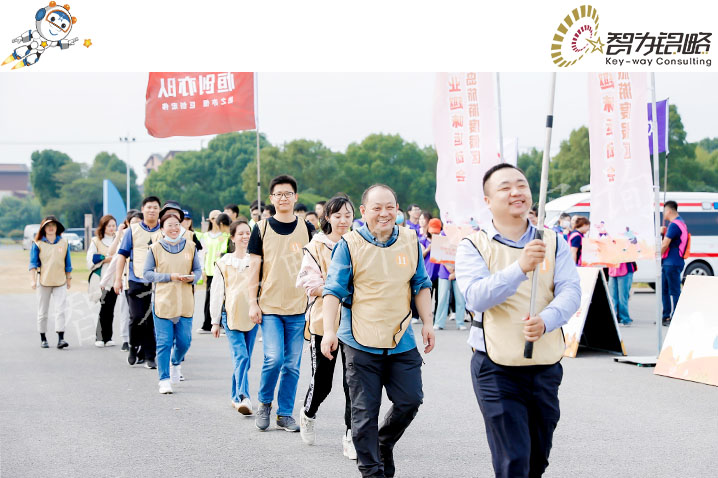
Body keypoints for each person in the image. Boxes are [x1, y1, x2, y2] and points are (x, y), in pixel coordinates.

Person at [455, 163, 580, 478]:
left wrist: (547, 320)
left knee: (537, 459)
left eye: (521, 185)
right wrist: (521, 266)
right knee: (514, 460)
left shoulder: (553, 241)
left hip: (545, 364)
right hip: (495, 368)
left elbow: (571, 291)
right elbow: (476, 297)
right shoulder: (474, 245)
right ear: (487, 200)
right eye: (505, 187)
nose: (516, 192)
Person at [321, 184, 435, 478]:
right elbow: (332, 291)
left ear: (397, 209)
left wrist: (428, 324)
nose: (384, 213)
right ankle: (371, 471)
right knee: (364, 413)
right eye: (376, 208)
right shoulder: (349, 244)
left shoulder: (410, 240)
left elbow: (420, 284)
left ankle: (384, 442)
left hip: (400, 338)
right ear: (363, 212)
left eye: (390, 207)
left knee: (410, 400)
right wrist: (330, 331)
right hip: (359, 339)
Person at [248, 174, 315, 432]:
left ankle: (284, 413)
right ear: (271, 198)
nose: (284, 198)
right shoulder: (261, 228)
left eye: (288, 194)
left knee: (292, 364)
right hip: (270, 307)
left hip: (299, 308)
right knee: (273, 358)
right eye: (279, 194)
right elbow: (254, 267)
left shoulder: (307, 228)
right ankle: (265, 403)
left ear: (295, 197)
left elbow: (317, 264)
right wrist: (252, 302)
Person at [296, 195, 356, 459]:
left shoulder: (360, 243)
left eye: (348, 215)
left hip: (356, 324)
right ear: (327, 218)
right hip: (323, 323)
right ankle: (308, 413)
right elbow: (310, 284)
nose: (343, 220)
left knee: (353, 382)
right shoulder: (315, 247)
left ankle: (351, 434)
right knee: (323, 382)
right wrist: (340, 289)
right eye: (338, 215)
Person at [143, 210, 202, 394]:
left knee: (184, 341)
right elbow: (147, 273)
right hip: (163, 300)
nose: (174, 228)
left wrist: (192, 278)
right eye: (170, 225)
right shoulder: (155, 248)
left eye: (177, 225)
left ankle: (176, 363)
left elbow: (198, 270)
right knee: (164, 342)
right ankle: (164, 379)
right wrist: (170, 276)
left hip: (185, 300)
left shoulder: (191, 246)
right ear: (162, 228)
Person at [210, 220, 258, 414]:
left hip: (252, 316)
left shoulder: (256, 261)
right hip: (230, 315)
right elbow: (217, 292)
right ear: (232, 238)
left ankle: (234, 395)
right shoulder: (223, 263)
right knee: (241, 356)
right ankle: (243, 397)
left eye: (248, 233)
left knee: (245, 359)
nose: (245, 236)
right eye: (241, 234)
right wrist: (215, 321)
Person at [114, 196, 163, 369]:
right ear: (143, 209)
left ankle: (150, 355)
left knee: (151, 319)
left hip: (157, 282)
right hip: (135, 279)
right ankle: (134, 347)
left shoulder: (163, 231)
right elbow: (122, 255)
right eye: (149, 207)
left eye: (155, 207)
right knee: (136, 317)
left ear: (159, 210)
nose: (152, 210)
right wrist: (118, 279)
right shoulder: (132, 230)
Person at [29, 215, 72, 349]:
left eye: (53, 225)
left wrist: (69, 279)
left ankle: (61, 338)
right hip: (44, 281)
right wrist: (33, 280)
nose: (51, 228)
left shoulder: (64, 243)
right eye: (48, 226)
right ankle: (43, 338)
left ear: (57, 228)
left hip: (60, 281)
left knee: (60, 310)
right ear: (43, 228)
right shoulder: (38, 244)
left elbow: (68, 263)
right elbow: (33, 264)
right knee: (43, 311)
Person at [106, 209, 143, 351]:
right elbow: (111, 253)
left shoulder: (144, 236)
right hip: (125, 278)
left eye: (139, 223)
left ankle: (139, 340)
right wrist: (119, 233)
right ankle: (125, 339)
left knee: (138, 313)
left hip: (140, 279)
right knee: (125, 310)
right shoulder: (123, 236)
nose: (136, 225)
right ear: (127, 223)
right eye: (133, 222)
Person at [87, 214, 119, 347]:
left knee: (111, 308)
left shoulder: (119, 239)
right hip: (102, 278)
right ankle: (100, 336)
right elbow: (91, 259)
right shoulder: (96, 241)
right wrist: (106, 259)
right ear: (103, 226)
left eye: (113, 225)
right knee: (104, 306)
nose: (112, 228)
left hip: (115, 278)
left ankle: (108, 336)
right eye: (109, 225)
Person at [197, 210, 230, 333]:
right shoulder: (204, 236)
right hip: (210, 270)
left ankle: (223, 323)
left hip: (224, 270)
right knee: (210, 298)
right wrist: (203, 270)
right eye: (212, 218)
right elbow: (202, 254)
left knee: (225, 297)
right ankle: (207, 323)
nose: (215, 221)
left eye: (218, 218)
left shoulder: (227, 235)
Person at [660, 200, 688, 326]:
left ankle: (674, 317)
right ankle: (667, 316)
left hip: (671, 262)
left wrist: (657, 254)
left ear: (669, 211)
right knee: (667, 290)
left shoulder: (674, 225)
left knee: (673, 291)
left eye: (664, 210)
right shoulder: (681, 222)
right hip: (674, 261)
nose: (663, 213)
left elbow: (665, 243)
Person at [608, 262, 637, 326]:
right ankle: (614, 317)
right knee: (612, 298)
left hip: (625, 269)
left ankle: (624, 319)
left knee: (622, 297)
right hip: (613, 269)